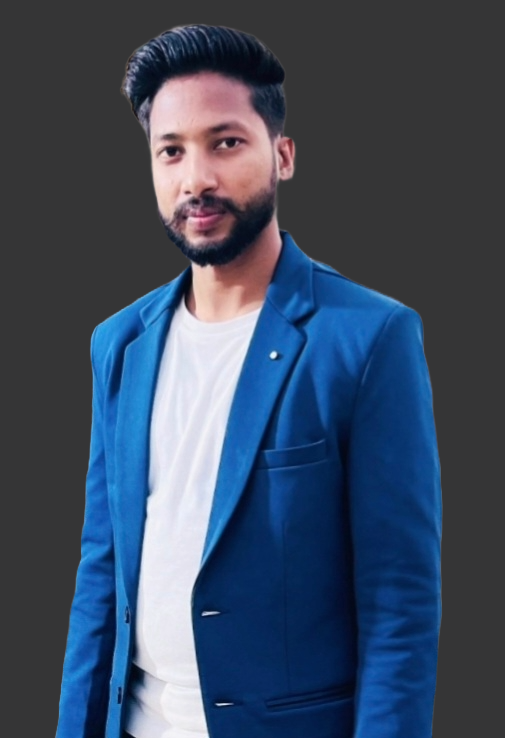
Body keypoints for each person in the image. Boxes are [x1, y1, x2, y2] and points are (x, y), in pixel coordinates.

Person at [56, 24, 442, 738]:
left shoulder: (366, 338)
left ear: (282, 155)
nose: (195, 179)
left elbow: (399, 603)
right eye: (171, 151)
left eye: (226, 142)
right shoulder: (120, 343)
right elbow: (101, 575)